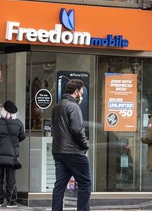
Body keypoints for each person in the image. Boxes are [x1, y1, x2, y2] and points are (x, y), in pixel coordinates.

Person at [51, 79, 91, 211]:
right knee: (85, 184)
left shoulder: (57, 107)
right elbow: (77, 129)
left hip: (59, 151)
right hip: (74, 152)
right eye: (81, 91)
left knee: (59, 186)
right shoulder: (73, 107)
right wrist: (85, 145)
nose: (82, 94)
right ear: (76, 92)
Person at [0, 100, 26, 208]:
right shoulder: (18, 123)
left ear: (3, 111)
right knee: (11, 179)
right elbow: (22, 137)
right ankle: (11, 201)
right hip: (12, 155)